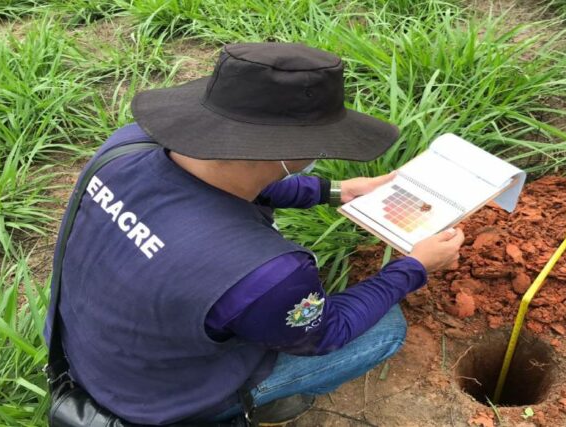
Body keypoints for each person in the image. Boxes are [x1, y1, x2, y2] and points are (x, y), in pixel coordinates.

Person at [44, 42, 463, 425]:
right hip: (157, 405)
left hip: (85, 352)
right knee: (385, 330)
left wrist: (336, 191)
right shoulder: (267, 273)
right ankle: (242, 405)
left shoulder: (130, 147)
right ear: (288, 152)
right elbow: (327, 332)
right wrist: (414, 266)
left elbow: (235, 176)